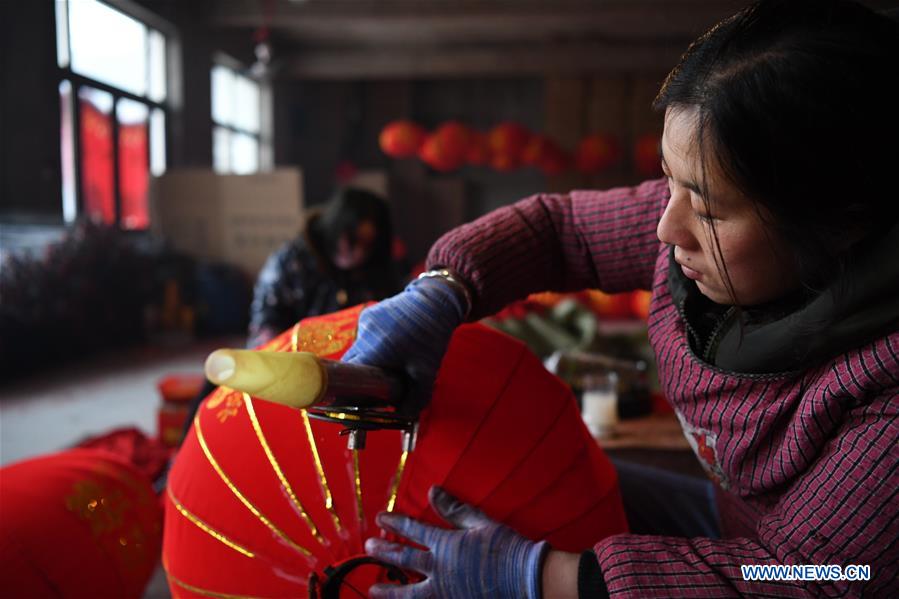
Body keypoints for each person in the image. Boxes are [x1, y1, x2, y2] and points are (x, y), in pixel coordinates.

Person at [341, 1, 899, 596]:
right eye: (669, 180)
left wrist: (544, 577)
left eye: (707, 207)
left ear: (841, 223)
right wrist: (445, 287)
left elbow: (818, 576)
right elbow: (563, 230)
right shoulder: (694, 238)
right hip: (726, 518)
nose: (665, 227)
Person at [248, 185, 404, 348]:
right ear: (334, 227)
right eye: (352, 240)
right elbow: (266, 328)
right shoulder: (292, 263)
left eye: (368, 246)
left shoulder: (377, 271)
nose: (358, 253)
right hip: (290, 361)